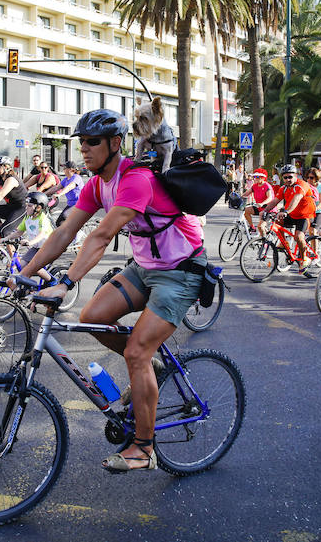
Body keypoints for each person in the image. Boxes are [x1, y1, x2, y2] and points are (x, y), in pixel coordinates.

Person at [18, 109, 206, 473]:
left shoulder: (135, 178)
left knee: (135, 350)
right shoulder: (95, 184)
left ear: (115, 143)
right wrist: (22, 273)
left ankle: (144, 448)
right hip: (146, 267)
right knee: (92, 318)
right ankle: (149, 369)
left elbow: (101, 236)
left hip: (180, 271)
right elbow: (64, 232)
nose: (84, 149)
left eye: (92, 142)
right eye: (81, 142)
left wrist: (66, 283)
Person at [260, 164, 316, 273]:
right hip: (292, 214)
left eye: (290, 177)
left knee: (299, 237)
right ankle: (283, 243)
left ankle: (305, 258)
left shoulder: (301, 185)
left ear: (296, 176)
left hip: (305, 215)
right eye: (285, 177)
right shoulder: (283, 188)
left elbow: (296, 199)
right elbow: (275, 201)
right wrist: (265, 211)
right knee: (277, 221)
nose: (288, 179)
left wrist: (286, 211)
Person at [2, 191, 57, 283]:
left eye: (30, 206)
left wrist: (29, 242)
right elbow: (19, 232)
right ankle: (29, 287)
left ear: (38, 207)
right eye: (27, 205)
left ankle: (52, 281)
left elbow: (41, 234)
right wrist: (4, 239)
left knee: (35, 266)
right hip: (36, 248)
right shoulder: (28, 218)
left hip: (48, 248)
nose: (26, 207)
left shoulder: (43, 218)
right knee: (22, 265)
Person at [47, 161, 87, 226]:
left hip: (79, 204)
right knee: (60, 223)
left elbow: (69, 187)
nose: (63, 170)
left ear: (71, 169)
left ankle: (75, 235)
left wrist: (59, 194)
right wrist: (43, 194)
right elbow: (56, 188)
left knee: (62, 221)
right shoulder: (66, 179)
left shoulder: (76, 177)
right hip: (71, 205)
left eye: (65, 168)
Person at [243, 168, 275, 236]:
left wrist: (262, 203)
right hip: (259, 207)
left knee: (261, 227)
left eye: (257, 177)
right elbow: (246, 193)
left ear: (263, 178)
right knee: (246, 210)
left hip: (268, 209)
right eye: (254, 177)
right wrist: (237, 197)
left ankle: (264, 241)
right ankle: (252, 227)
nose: (255, 178)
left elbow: (270, 198)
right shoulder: (254, 186)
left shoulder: (267, 186)